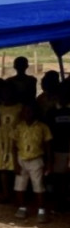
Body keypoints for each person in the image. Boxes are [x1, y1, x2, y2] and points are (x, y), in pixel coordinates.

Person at [12, 103, 52, 223]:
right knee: (20, 186)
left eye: (30, 111)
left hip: (36, 160)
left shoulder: (42, 127)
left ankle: (41, 210)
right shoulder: (18, 127)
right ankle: (22, 207)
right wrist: (15, 164)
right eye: (25, 112)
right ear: (22, 114)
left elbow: (48, 146)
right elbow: (13, 147)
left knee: (38, 186)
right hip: (21, 159)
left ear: (35, 113)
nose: (28, 114)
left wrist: (49, 163)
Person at [0, 80, 23, 203]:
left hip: (14, 139)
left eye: (9, 92)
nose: (6, 94)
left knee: (15, 166)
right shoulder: (0, 108)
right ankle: (6, 193)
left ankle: (17, 193)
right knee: (3, 167)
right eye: (4, 92)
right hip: (2, 141)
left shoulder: (19, 107)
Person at [47, 82, 70, 211]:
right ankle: (59, 202)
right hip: (57, 150)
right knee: (59, 177)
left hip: (68, 149)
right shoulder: (51, 113)